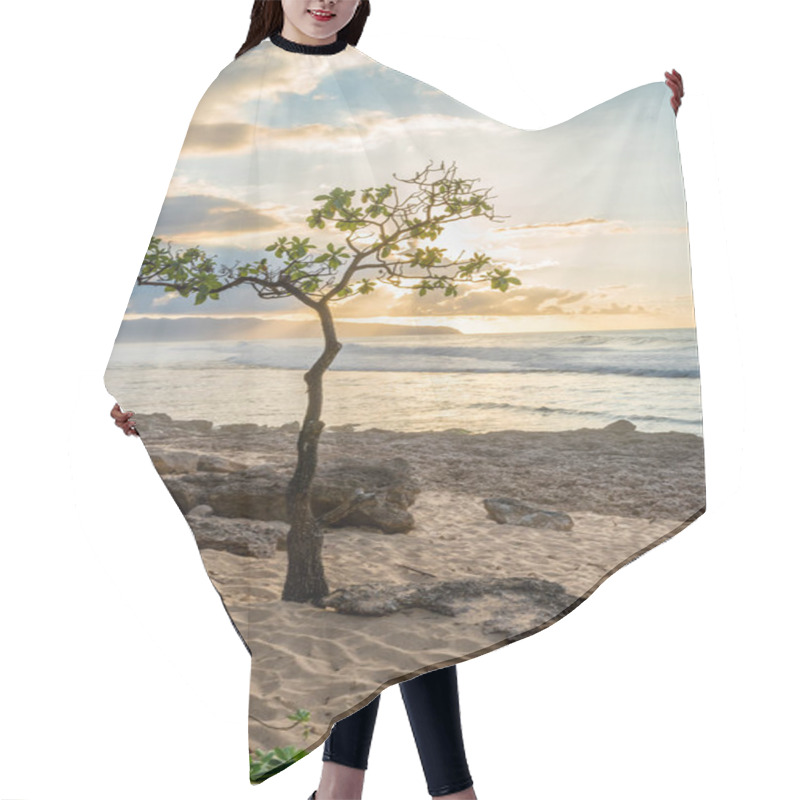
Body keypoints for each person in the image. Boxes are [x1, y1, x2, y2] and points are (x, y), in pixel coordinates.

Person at [110, 2, 685, 798]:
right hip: (293, 373)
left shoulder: (378, 88)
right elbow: (184, 247)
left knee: (385, 598)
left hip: (368, 358)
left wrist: (635, 126)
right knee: (359, 597)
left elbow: (500, 164)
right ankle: (426, 791)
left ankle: (351, 789)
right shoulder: (236, 89)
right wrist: (147, 382)